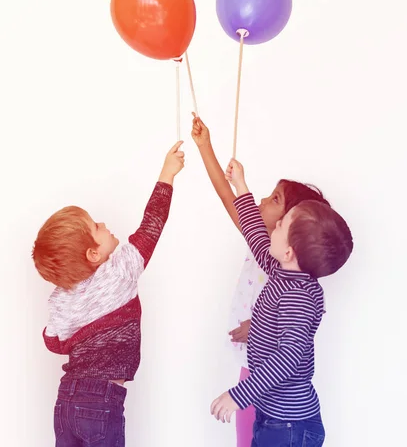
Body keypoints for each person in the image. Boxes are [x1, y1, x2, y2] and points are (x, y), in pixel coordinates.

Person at [191, 114, 331, 447]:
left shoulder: (290, 273)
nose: (263, 202)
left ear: (292, 228)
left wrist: (257, 325)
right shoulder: (268, 251)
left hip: (275, 390)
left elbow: (297, 326)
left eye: (275, 200)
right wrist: (206, 147)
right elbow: (231, 199)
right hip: (254, 370)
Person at [32, 141, 185, 447]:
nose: (104, 223)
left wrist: (82, 329)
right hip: (101, 402)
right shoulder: (119, 272)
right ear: (93, 253)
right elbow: (152, 225)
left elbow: (52, 341)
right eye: (96, 226)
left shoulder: (63, 297)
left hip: (65, 402)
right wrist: (167, 174)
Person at [210, 158, 353, 447]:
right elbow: (253, 233)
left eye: (281, 225)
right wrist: (241, 184)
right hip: (274, 415)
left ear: (289, 251)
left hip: (290, 425)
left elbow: (287, 358)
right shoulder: (282, 272)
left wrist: (240, 394)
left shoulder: (298, 297)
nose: (273, 224)